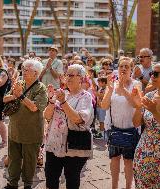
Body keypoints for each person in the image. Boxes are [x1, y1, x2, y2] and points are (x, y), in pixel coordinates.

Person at [44, 64, 93, 189]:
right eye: (67, 74)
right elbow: (47, 116)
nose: (68, 77)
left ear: (81, 78)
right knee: (51, 177)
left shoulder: (85, 96)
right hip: (54, 143)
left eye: (71, 75)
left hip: (74, 145)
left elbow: (79, 119)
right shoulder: (62, 93)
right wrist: (50, 101)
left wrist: (63, 102)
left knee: (71, 178)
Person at [3, 59, 47, 189]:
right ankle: (12, 183)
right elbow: (5, 99)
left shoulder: (41, 88)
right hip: (14, 130)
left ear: (36, 73)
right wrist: (15, 95)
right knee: (13, 159)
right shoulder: (19, 83)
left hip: (31, 133)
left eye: (27, 70)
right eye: (23, 69)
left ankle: (27, 184)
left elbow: (34, 108)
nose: (24, 71)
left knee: (29, 161)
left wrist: (21, 96)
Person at [101, 57, 141, 189]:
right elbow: (104, 106)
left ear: (131, 70)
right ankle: (114, 186)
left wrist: (123, 89)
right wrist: (111, 89)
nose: (123, 69)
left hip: (130, 130)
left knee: (129, 162)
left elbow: (136, 105)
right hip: (115, 129)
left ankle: (128, 187)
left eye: (126, 67)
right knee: (114, 159)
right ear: (117, 69)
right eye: (121, 66)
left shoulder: (136, 84)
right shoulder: (112, 84)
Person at [131, 63, 160, 189]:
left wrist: (154, 111)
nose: (152, 76)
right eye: (151, 73)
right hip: (145, 150)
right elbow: (136, 123)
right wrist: (138, 107)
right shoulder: (149, 95)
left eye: (156, 74)